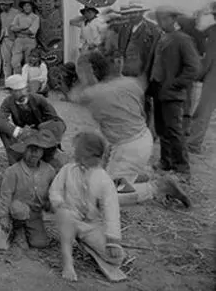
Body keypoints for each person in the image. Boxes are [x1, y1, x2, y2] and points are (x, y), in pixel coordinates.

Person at [70, 51, 190, 208]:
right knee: (113, 175)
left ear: (90, 72)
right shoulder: (129, 83)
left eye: (80, 73)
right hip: (142, 138)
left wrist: (87, 79)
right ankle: (143, 176)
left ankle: (156, 188)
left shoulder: (93, 94)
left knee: (104, 195)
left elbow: (74, 96)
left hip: (128, 149)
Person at [50, 132, 125, 281]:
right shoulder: (68, 170)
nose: (75, 152)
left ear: (89, 154)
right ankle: (68, 262)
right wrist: (59, 203)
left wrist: (113, 240)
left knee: (116, 257)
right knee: (65, 216)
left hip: (90, 224)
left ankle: (87, 243)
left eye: (78, 149)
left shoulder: (104, 180)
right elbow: (55, 189)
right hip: (69, 217)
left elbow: (111, 211)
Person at [147, 5, 201, 175]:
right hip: (158, 91)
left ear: (172, 19)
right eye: (158, 19)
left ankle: (182, 168)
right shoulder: (163, 37)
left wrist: (176, 84)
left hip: (172, 93)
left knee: (174, 130)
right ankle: (166, 162)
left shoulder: (182, 39)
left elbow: (193, 68)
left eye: (163, 19)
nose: (160, 22)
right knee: (162, 129)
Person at [0, 129, 58, 248]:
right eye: (30, 149)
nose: (34, 153)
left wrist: (51, 204)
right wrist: (3, 217)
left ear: (43, 152)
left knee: (40, 243)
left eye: (38, 150)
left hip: (35, 213)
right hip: (16, 211)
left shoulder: (49, 171)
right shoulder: (13, 171)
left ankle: (30, 229)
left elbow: (54, 192)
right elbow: (5, 195)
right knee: (19, 208)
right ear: (23, 150)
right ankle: (18, 229)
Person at [0, 74, 66, 168]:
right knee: (3, 130)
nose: (21, 93)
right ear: (11, 91)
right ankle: (14, 160)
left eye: (23, 89)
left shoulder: (38, 99)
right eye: (17, 91)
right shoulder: (8, 102)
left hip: (42, 133)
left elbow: (55, 120)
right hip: (24, 134)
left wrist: (42, 130)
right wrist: (19, 131)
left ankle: (49, 154)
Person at [189, 2, 216, 154]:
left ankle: (193, 144)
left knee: (203, 111)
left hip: (213, 77)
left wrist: (197, 75)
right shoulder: (212, 30)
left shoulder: (213, 31)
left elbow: (208, 59)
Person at [116, 2, 159, 77]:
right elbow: (121, 49)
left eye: (135, 12)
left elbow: (156, 51)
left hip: (144, 70)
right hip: (127, 69)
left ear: (142, 13)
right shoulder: (125, 28)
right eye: (131, 13)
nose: (133, 15)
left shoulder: (152, 28)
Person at [10, 0, 40, 74]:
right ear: (22, 7)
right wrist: (23, 28)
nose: (27, 7)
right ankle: (18, 80)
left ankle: (28, 82)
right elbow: (12, 28)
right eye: (25, 6)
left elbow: (31, 31)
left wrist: (19, 31)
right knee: (15, 62)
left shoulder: (35, 17)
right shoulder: (18, 16)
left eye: (28, 6)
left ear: (32, 7)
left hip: (30, 41)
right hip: (19, 41)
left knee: (29, 62)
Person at [0, 0, 19, 79]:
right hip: (4, 39)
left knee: (15, 61)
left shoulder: (16, 13)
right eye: (1, 4)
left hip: (14, 39)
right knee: (6, 61)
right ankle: (8, 81)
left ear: (9, 4)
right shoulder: (1, 14)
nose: (2, 6)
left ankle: (16, 81)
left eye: (4, 4)